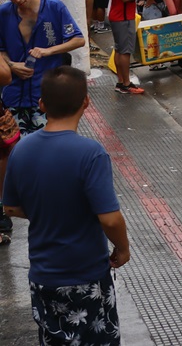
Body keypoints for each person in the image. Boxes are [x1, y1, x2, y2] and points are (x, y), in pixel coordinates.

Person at [3, 66, 130, 345]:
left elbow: (10, 208)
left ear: (41, 104)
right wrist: (122, 248)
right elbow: (109, 219)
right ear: (86, 101)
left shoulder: (21, 149)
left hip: (43, 276)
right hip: (86, 274)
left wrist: (44, 211)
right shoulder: (91, 153)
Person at [0, 0, 86, 134]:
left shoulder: (54, 7)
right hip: (14, 94)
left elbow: (78, 39)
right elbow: (1, 50)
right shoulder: (4, 13)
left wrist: (48, 51)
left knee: (49, 147)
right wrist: (11, 65)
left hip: (47, 94)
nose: (17, 0)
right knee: (17, 150)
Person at [108, 0, 146, 95]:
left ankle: (121, 81)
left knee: (119, 50)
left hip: (116, 16)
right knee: (125, 52)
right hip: (123, 18)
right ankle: (126, 83)